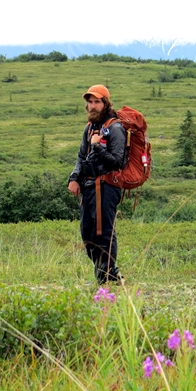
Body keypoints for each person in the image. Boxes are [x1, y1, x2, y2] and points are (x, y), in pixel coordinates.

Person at [68, 84, 126, 284]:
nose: (92, 106)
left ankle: (105, 277)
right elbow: (80, 156)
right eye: (90, 102)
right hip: (88, 187)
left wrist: (97, 146)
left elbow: (116, 161)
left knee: (104, 232)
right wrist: (74, 178)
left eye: (97, 102)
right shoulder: (89, 128)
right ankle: (110, 273)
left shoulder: (115, 128)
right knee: (87, 234)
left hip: (107, 185)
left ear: (105, 103)